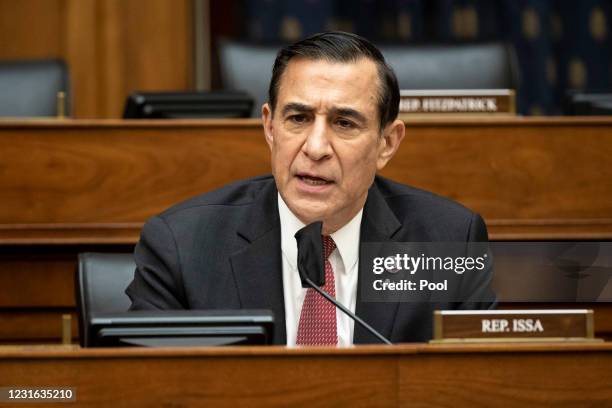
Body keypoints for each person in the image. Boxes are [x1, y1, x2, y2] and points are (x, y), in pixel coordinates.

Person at [126, 31, 495, 346]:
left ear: (387, 143)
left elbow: (477, 383)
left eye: (344, 123)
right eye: (298, 119)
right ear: (270, 127)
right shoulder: (183, 246)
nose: (315, 148)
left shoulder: (448, 241)